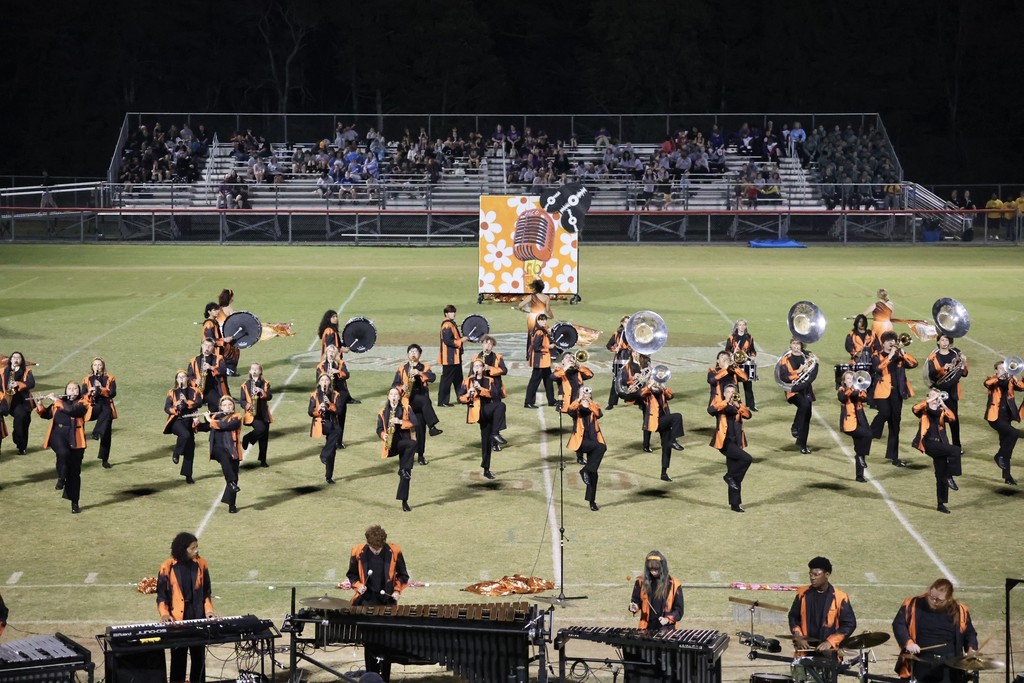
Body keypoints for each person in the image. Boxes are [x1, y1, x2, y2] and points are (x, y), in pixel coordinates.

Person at [346, 525, 409, 681]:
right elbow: (351, 575)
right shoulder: (357, 551)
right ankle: (370, 677)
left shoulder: (394, 551)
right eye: (373, 549)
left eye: (379, 549)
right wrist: (358, 585)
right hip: (366, 603)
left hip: (387, 602)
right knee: (370, 642)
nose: (376, 551)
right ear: (367, 543)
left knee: (386, 642)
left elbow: (403, 575)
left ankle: (384, 678)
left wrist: (396, 591)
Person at [893, 578, 978, 683]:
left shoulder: (960, 611)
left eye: (939, 600)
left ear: (949, 599)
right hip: (920, 662)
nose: (934, 601)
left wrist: (971, 649)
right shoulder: (913, 604)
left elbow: (969, 633)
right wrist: (908, 643)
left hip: (949, 665)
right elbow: (898, 624)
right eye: (931, 597)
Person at [157, 532, 215, 683]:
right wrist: (164, 614)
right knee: (178, 658)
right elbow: (162, 596)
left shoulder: (202, 564)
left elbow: (206, 592)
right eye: (192, 548)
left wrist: (208, 611)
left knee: (199, 658)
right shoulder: (167, 567)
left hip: (197, 616)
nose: (196, 550)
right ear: (183, 550)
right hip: (177, 620)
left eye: (197, 547)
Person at [35, 382, 89, 513]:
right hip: (58, 434)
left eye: (75, 389)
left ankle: (74, 502)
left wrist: (56, 400)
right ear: (66, 390)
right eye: (70, 389)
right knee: (63, 453)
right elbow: (45, 415)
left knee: (75, 473)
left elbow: (72, 411)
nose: (72, 391)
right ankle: (61, 477)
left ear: (79, 391)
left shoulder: (83, 403)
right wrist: (39, 403)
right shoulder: (59, 402)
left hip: (76, 437)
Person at [788, 557, 856, 658]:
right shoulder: (802, 594)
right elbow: (793, 616)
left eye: (816, 575)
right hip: (805, 652)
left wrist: (830, 642)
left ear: (827, 575)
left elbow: (849, 624)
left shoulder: (840, 597)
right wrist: (798, 636)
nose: (812, 578)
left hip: (828, 653)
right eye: (810, 574)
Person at [871, 331, 918, 467]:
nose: (892, 343)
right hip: (882, 393)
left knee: (895, 426)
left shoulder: (899, 356)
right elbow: (877, 369)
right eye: (889, 341)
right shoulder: (876, 355)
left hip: (897, 394)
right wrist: (890, 357)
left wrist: (902, 353)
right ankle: (872, 432)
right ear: (883, 343)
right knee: (885, 413)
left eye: (894, 340)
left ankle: (894, 457)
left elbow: (914, 363)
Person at [392, 344, 443, 465]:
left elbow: (432, 377)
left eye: (415, 351)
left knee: (420, 429)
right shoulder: (402, 368)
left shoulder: (424, 367)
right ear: (408, 354)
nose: (413, 353)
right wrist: (401, 387)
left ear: (419, 354)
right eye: (411, 351)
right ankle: (432, 427)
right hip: (407, 401)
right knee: (425, 402)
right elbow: (394, 385)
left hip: (421, 403)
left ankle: (420, 455)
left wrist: (420, 373)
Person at [912, 388, 961, 513]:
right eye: (933, 395)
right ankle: (950, 475)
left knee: (940, 475)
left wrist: (943, 404)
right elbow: (915, 408)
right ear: (928, 397)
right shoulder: (923, 410)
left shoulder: (941, 411)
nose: (936, 398)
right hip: (929, 444)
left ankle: (941, 504)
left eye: (938, 396)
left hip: (940, 445)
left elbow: (952, 419)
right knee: (955, 450)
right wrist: (931, 400)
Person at [708, 384, 753, 512]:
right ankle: (729, 477)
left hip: (737, 442)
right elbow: (711, 410)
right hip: (725, 443)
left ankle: (735, 504)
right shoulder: (720, 404)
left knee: (735, 472)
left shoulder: (738, 406)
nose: (730, 393)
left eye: (733, 392)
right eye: (728, 391)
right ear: (724, 393)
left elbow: (748, 415)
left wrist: (739, 405)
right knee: (747, 459)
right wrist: (726, 402)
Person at [458, 360, 506, 480]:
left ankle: (486, 469)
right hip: (478, 412)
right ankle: (495, 433)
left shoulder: (489, 380)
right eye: (475, 366)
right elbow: (460, 398)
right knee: (485, 441)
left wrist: (481, 390)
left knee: (486, 442)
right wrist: (468, 395)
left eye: (480, 366)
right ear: (472, 369)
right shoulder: (467, 381)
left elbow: (495, 395)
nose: (478, 368)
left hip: (489, 410)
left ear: (484, 368)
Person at [983, 360, 1024, 485]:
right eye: (1001, 368)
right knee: (1014, 434)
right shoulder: (992, 380)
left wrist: (1018, 378)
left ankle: (1007, 476)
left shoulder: (1011, 380)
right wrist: (1000, 376)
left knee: (1006, 446)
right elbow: (987, 383)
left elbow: (1022, 387)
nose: (1004, 370)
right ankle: (998, 456)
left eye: (1005, 368)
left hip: (1006, 418)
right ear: (996, 370)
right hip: (995, 418)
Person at [376, 388, 417, 511]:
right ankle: (402, 469)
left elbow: (414, 422)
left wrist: (400, 421)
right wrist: (384, 435)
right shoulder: (382, 412)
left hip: (404, 442)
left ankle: (404, 502)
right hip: (392, 444)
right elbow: (378, 429)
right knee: (412, 445)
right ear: (388, 397)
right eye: (392, 394)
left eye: (396, 394)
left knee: (406, 473)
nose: (394, 396)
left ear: (399, 397)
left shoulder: (406, 407)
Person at [926, 335, 968, 452]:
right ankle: (942, 446)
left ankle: (957, 446)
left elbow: (964, 373)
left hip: (952, 391)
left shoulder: (955, 355)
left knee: (954, 420)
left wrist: (964, 362)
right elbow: (932, 375)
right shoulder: (933, 357)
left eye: (947, 340)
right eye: (942, 340)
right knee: (939, 420)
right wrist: (943, 369)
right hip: (939, 391)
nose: (945, 342)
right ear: (938, 342)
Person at [639, 375, 684, 481]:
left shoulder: (661, 391)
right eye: (652, 380)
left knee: (666, 447)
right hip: (656, 422)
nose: (655, 382)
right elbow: (641, 395)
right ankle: (673, 440)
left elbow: (671, 396)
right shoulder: (647, 393)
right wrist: (649, 386)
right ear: (648, 381)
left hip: (665, 421)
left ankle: (664, 473)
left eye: (656, 380)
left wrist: (663, 386)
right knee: (677, 416)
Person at [567, 386, 605, 511]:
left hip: (593, 441)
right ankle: (585, 470)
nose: (586, 393)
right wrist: (579, 399)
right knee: (602, 447)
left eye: (587, 391)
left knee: (593, 473)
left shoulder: (595, 405)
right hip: (581, 442)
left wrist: (589, 402)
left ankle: (592, 501)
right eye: (583, 392)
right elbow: (570, 410)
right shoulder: (576, 406)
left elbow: (599, 414)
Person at [779, 339, 819, 454]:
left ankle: (802, 443)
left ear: (802, 346)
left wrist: (816, 362)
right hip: (792, 390)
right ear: (790, 344)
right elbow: (784, 377)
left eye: (798, 344)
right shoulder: (785, 359)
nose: (796, 346)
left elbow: (814, 371)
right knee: (804, 405)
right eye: (794, 343)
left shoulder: (807, 357)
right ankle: (795, 427)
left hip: (806, 389)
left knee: (807, 416)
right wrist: (798, 371)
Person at [628, 551, 684, 632]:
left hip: (667, 630)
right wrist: (634, 607)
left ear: (662, 567)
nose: (653, 572)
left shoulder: (674, 585)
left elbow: (679, 610)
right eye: (650, 569)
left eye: (656, 569)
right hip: (646, 628)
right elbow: (636, 601)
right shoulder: (640, 582)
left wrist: (667, 619)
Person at [207, 396, 242, 514]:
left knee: (234, 476)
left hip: (232, 449)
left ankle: (232, 504)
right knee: (225, 458)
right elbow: (206, 427)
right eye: (225, 405)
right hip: (218, 449)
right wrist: (196, 423)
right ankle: (231, 482)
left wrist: (210, 421)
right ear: (221, 407)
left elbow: (225, 426)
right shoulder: (215, 416)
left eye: (230, 405)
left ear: (233, 406)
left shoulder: (237, 417)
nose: (228, 407)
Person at [164, 371, 200, 484]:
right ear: (176, 380)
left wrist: (186, 402)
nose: (181, 379)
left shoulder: (195, 391)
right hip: (176, 421)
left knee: (190, 448)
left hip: (189, 421)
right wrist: (176, 407)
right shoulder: (172, 392)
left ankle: (188, 475)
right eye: (179, 377)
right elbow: (166, 408)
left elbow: (199, 403)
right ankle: (177, 452)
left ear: (187, 379)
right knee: (185, 434)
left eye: (183, 377)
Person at [473, 335, 508, 445]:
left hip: (495, 389)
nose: (488, 345)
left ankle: (495, 441)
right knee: (484, 418)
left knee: (496, 414)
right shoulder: (476, 358)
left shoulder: (497, 357)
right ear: (482, 344)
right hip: (481, 389)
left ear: (493, 346)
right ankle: (487, 441)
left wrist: (490, 368)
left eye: (490, 344)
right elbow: (471, 375)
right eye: (486, 343)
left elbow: (504, 370)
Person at [82, 357, 116, 469]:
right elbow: (82, 395)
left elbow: (112, 393)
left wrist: (101, 388)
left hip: (106, 403)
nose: (97, 367)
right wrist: (90, 392)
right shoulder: (87, 379)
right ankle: (95, 433)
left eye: (99, 365)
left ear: (103, 366)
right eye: (95, 365)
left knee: (106, 433)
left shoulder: (110, 378)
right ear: (92, 367)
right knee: (106, 411)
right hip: (93, 405)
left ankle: (104, 459)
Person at [838, 371, 872, 482]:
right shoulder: (841, 390)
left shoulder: (857, 390)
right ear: (844, 381)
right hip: (849, 424)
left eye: (852, 378)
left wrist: (862, 390)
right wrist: (852, 389)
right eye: (848, 378)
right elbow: (843, 398)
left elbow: (867, 399)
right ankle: (861, 457)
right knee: (868, 434)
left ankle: (859, 476)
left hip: (860, 422)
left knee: (859, 450)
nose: (850, 380)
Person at [309, 373, 343, 484]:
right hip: (320, 423)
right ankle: (324, 454)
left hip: (331, 422)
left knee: (332, 450)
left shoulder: (335, 394)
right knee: (337, 431)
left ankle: (329, 476)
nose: (324, 382)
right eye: (322, 380)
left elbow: (339, 411)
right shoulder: (314, 395)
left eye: (326, 380)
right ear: (319, 382)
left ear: (330, 382)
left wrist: (330, 404)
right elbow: (310, 412)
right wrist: (319, 409)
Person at [318, 310, 357, 403]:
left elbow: (337, 344)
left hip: (334, 359)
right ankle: (334, 399)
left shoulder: (332, 331)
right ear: (329, 319)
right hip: (330, 360)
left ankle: (345, 398)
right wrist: (343, 350)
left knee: (339, 380)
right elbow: (330, 348)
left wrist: (344, 345)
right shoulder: (329, 331)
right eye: (333, 317)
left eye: (336, 316)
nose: (336, 318)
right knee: (335, 380)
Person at [316, 344, 350, 447]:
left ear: (336, 354)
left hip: (341, 395)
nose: (331, 353)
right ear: (326, 353)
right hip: (329, 395)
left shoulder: (340, 363)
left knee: (341, 417)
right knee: (329, 418)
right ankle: (330, 441)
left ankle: (339, 442)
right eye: (329, 351)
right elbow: (318, 381)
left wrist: (337, 372)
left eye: (333, 352)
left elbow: (347, 374)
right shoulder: (321, 366)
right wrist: (327, 376)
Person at [239, 362, 272, 467]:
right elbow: (242, 401)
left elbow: (269, 396)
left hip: (263, 413)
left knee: (264, 438)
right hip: (252, 413)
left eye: (256, 369)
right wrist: (247, 405)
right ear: (250, 371)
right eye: (252, 369)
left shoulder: (265, 383)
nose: (254, 371)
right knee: (261, 429)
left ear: (260, 372)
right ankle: (247, 438)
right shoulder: (245, 385)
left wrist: (262, 391)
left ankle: (263, 460)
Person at [2, 351, 35, 455]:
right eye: (14, 357)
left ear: (21, 361)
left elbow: (31, 383)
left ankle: (21, 445)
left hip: (21, 401)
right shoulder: (3, 371)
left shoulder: (27, 371)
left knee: (22, 422)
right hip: (6, 400)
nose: (16, 359)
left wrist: (17, 384)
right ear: (10, 359)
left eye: (18, 358)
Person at [187, 338, 229, 412]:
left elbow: (223, 371)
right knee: (189, 407)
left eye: (210, 346)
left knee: (218, 406)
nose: (207, 348)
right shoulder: (194, 360)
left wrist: (211, 367)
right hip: (198, 390)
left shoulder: (218, 358)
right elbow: (189, 376)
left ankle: (211, 420)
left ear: (213, 348)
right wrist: (195, 380)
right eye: (206, 345)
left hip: (212, 389)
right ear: (202, 346)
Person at [724, 319, 758, 409]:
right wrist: (732, 356)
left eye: (743, 325)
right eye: (740, 325)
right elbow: (727, 350)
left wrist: (752, 357)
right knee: (735, 386)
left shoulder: (749, 337)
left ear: (745, 326)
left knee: (748, 385)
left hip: (746, 363)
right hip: (735, 365)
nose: (742, 327)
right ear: (737, 326)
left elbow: (752, 350)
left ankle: (751, 406)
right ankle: (737, 405)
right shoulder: (731, 338)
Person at [524, 313, 556, 408]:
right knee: (534, 382)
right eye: (541, 320)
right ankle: (528, 402)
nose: (544, 321)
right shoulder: (539, 332)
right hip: (539, 361)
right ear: (538, 321)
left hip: (544, 361)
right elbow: (536, 347)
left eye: (545, 319)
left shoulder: (543, 329)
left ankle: (551, 400)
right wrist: (548, 347)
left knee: (548, 381)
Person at [436, 304, 464, 407]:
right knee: (446, 381)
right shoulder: (447, 325)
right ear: (446, 314)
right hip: (450, 358)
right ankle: (442, 401)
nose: (454, 314)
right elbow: (448, 341)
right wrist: (461, 340)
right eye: (451, 312)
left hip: (455, 358)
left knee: (458, 380)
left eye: (454, 312)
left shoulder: (451, 324)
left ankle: (462, 398)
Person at [202, 302, 238, 377]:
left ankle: (228, 369)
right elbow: (210, 341)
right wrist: (224, 340)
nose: (217, 311)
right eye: (214, 310)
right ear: (209, 312)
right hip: (211, 351)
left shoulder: (214, 322)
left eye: (217, 310)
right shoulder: (209, 324)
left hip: (216, 348)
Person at [604, 315, 631, 410]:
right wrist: (615, 348)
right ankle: (611, 403)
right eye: (626, 322)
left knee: (632, 380)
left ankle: (632, 399)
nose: (627, 324)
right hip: (618, 359)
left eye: (629, 322)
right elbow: (608, 345)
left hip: (630, 360)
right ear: (622, 323)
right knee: (615, 380)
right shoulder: (617, 333)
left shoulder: (633, 333)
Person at [518, 279, 552, 350]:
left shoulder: (531, 296)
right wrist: (552, 317)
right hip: (541, 318)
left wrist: (523, 310)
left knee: (531, 334)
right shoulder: (546, 298)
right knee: (542, 333)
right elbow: (548, 310)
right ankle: (541, 348)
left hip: (532, 317)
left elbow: (520, 305)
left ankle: (529, 354)